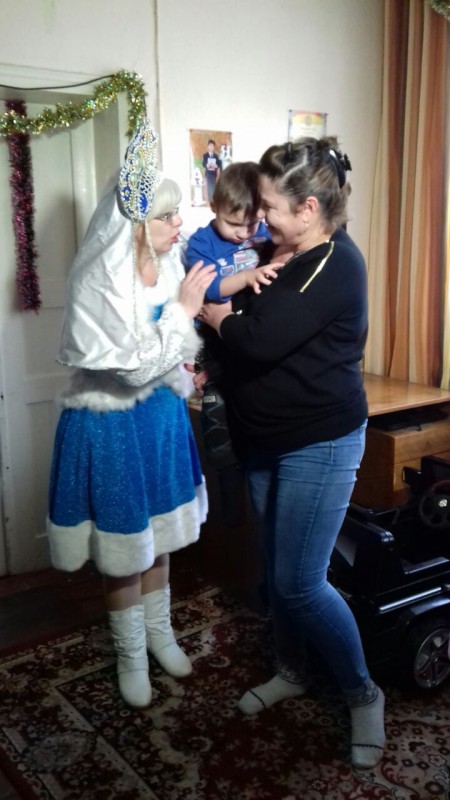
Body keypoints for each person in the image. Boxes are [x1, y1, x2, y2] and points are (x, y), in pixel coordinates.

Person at [198, 136, 385, 769]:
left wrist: (212, 314)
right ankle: (292, 670)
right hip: (264, 441)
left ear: (308, 209)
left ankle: (363, 692)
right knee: (278, 571)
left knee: (301, 583)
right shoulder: (279, 251)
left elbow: (256, 339)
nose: (261, 217)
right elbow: (244, 325)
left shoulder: (335, 265)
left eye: (271, 207)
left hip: (319, 443)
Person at [47, 119, 215, 710]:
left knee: (159, 538)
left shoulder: (167, 264)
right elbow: (132, 368)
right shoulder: (99, 279)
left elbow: (170, 353)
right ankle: (130, 655)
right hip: (111, 424)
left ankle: (160, 635)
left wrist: (187, 356)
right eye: (168, 216)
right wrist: (184, 313)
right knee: (124, 547)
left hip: (160, 420)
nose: (179, 224)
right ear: (137, 223)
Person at [202, 139, 222, 203]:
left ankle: (212, 199)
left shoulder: (216, 156)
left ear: (214, 147)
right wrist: (207, 165)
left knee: (213, 185)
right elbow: (203, 163)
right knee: (209, 186)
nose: (211, 147)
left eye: (213, 146)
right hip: (208, 173)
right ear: (208, 147)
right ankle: (211, 199)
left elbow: (219, 164)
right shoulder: (205, 155)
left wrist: (216, 166)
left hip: (214, 173)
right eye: (210, 146)